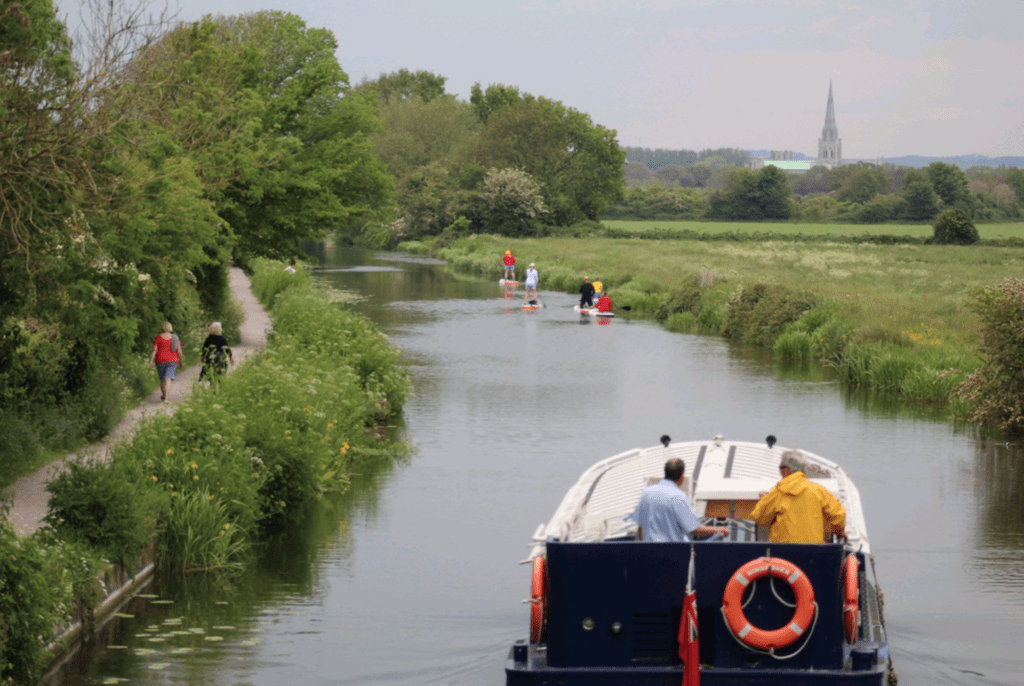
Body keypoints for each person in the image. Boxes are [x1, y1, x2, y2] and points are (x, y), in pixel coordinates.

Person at [750, 450, 846, 544]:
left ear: (786, 470)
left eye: (780, 468)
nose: (780, 472)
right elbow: (839, 515)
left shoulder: (778, 492)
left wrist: (764, 499)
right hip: (814, 553)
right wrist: (838, 532)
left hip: (783, 553)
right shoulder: (818, 490)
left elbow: (759, 517)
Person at [632, 458, 730, 542]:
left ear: (665, 473)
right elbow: (695, 530)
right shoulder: (678, 496)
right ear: (682, 476)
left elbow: (640, 527)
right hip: (672, 554)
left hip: (648, 553)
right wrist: (719, 529)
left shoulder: (646, 493)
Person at [148, 321, 183, 402]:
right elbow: (179, 351)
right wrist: (181, 361)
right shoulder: (175, 338)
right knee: (168, 379)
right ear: (170, 328)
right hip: (172, 361)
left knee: (163, 379)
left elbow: (154, 351)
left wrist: (151, 362)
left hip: (160, 361)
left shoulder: (158, 337)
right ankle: (165, 398)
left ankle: (164, 396)